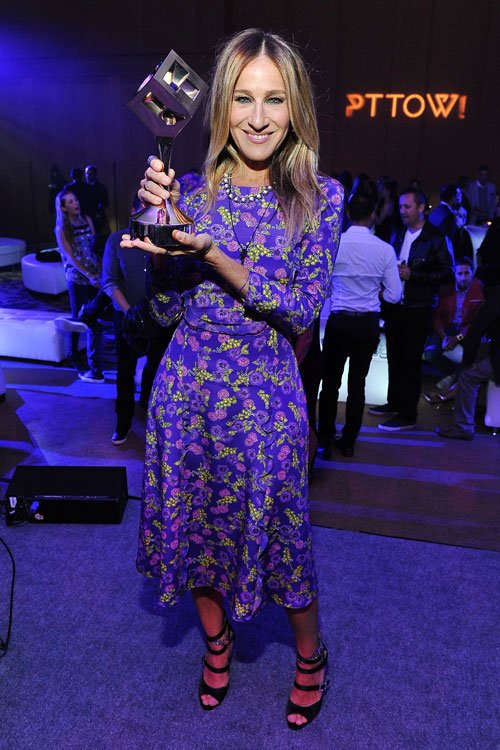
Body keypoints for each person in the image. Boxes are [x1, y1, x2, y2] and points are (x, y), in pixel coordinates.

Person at [121, 28, 343, 729]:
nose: (258, 117)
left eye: (275, 99)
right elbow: (163, 313)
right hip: (186, 391)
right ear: (220, 105)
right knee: (197, 535)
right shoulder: (190, 191)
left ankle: (310, 656)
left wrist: (213, 252)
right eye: (243, 98)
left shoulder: (319, 197)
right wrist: (160, 246)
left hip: (266, 398)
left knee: (284, 539)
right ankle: (215, 646)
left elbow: (301, 310)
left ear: (296, 106)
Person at [318, 188, 401, 458]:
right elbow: (394, 295)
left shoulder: (334, 245)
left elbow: (323, 290)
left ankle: (324, 439)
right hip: (366, 324)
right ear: (373, 216)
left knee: (330, 383)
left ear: (347, 214)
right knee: (357, 385)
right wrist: (372, 291)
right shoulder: (385, 250)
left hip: (339, 321)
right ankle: (349, 441)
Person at [369, 188, 454, 431]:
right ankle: (395, 402)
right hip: (395, 306)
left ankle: (408, 414)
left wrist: (413, 275)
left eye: (407, 206)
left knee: (410, 362)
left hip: (419, 307)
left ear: (421, 208)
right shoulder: (398, 233)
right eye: (400, 207)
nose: (402, 211)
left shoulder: (435, 237)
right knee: (395, 357)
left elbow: (448, 273)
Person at [101, 222, 174, 445]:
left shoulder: (166, 239)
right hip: (127, 317)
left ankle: (147, 406)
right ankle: (123, 421)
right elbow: (109, 281)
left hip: (159, 317)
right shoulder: (117, 240)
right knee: (125, 371)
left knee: (156, 366)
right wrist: (130, 312)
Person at [54, 189, 105, 382]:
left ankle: (92, 356)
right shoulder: (61, 228)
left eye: (75, 200)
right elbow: (70, 257)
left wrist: (99, 270)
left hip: (93, 273)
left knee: (93, 315)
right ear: (63, 208)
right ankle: (73, 353)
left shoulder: (86, 219)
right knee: (77, 316)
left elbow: (94, 246)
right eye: (70, 202)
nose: (75, 203)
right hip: (77, 276)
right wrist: (88, 274)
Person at [423, 258, 484, 394]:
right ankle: (455, 374)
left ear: (472, 273)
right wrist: (443, 336)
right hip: (447, 326)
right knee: (430, 354)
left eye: (467, 273)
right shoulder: (446, 288)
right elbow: (437, 316)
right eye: (459, 274)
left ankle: (456, 379)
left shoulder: (479, 288)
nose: (463, 277)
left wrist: (458, 337)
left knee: (473, 354)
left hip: (468, 328)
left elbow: (477, 321)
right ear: (454, 274)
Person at [85, 164, 110, 237]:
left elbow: (105, 202)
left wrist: (99, 213)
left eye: (90, 174)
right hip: (86, 217)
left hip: (98, 218)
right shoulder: (83, 188)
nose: (88, 176)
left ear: (95, 175)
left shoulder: (101, 188)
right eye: (86, 174)